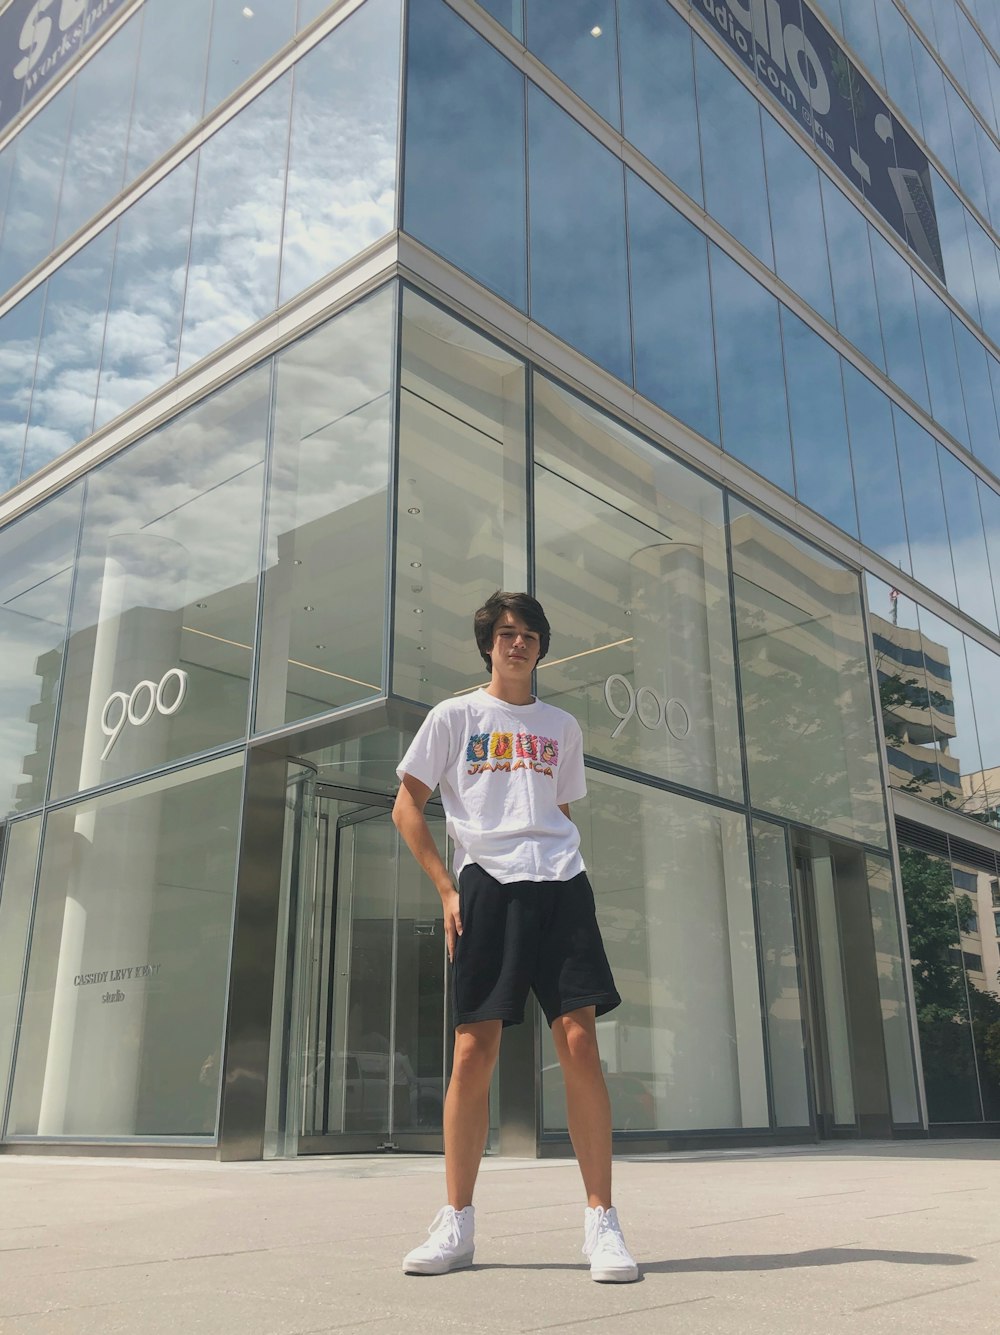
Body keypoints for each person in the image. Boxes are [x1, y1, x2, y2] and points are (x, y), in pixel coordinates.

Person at [392, 590, 638, 1283]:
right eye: (506, 633)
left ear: (541, 646)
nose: (518, 642)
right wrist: (446, 886)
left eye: (529, 633)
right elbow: (406, 804)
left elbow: (556, 807)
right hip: (486, 888)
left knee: (581, 1044)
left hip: (561, 881)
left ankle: (602, 1222)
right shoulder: (454, 716)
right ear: (488, 644)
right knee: (475, 1048)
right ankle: (457, 1223)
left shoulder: (562, 725)